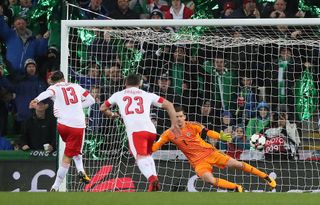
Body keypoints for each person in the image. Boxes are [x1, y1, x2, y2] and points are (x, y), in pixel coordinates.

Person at [152, 106, 276, 192]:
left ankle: (265, 177)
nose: (178, 119)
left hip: (210, 153)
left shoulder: (193, 125)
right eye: (176, 117)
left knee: (237, 164)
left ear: (184, 117)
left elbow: (208, 132)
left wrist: (220, 136)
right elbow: (155, 147)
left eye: (180, 116)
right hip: (198, 162)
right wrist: (142, 146)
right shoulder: (168, 134)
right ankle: (237, 188)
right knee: (209, 180)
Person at [100, 73, 178, 192]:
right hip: (151, 130)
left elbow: (103, 108)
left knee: (140, 157)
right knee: (147, 155)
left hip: (135, 131)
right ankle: (154, 181)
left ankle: (152, 179)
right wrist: (173, 124)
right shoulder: (147, 94)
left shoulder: (118, 95)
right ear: (140, 83)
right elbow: (169, 105)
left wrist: (112, 115)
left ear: (125, 83)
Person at [29, 71, 95, 192]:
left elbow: (47, 93)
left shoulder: (54, 87)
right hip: (77, 125)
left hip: (62, 126)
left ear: (53, 81)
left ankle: (81, 170)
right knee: (68, 156)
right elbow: (91, 100)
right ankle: (55, 186)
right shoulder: (76, 86)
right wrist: (77, 106)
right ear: (64, 78)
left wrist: (36, 99)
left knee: (73, 148)